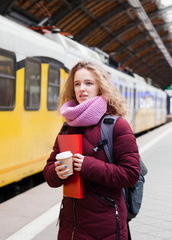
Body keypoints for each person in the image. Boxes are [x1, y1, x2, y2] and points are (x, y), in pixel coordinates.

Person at [43, 61, 140, 240]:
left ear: (100, 87)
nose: (82, 89)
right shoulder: (68, 127)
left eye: (89, 83)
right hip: (70, 227)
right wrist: (57, 172)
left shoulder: (117, 126)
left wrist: (87, 165)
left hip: (105, 227)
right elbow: (49, 173)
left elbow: (130, 174)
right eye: (77, 84)